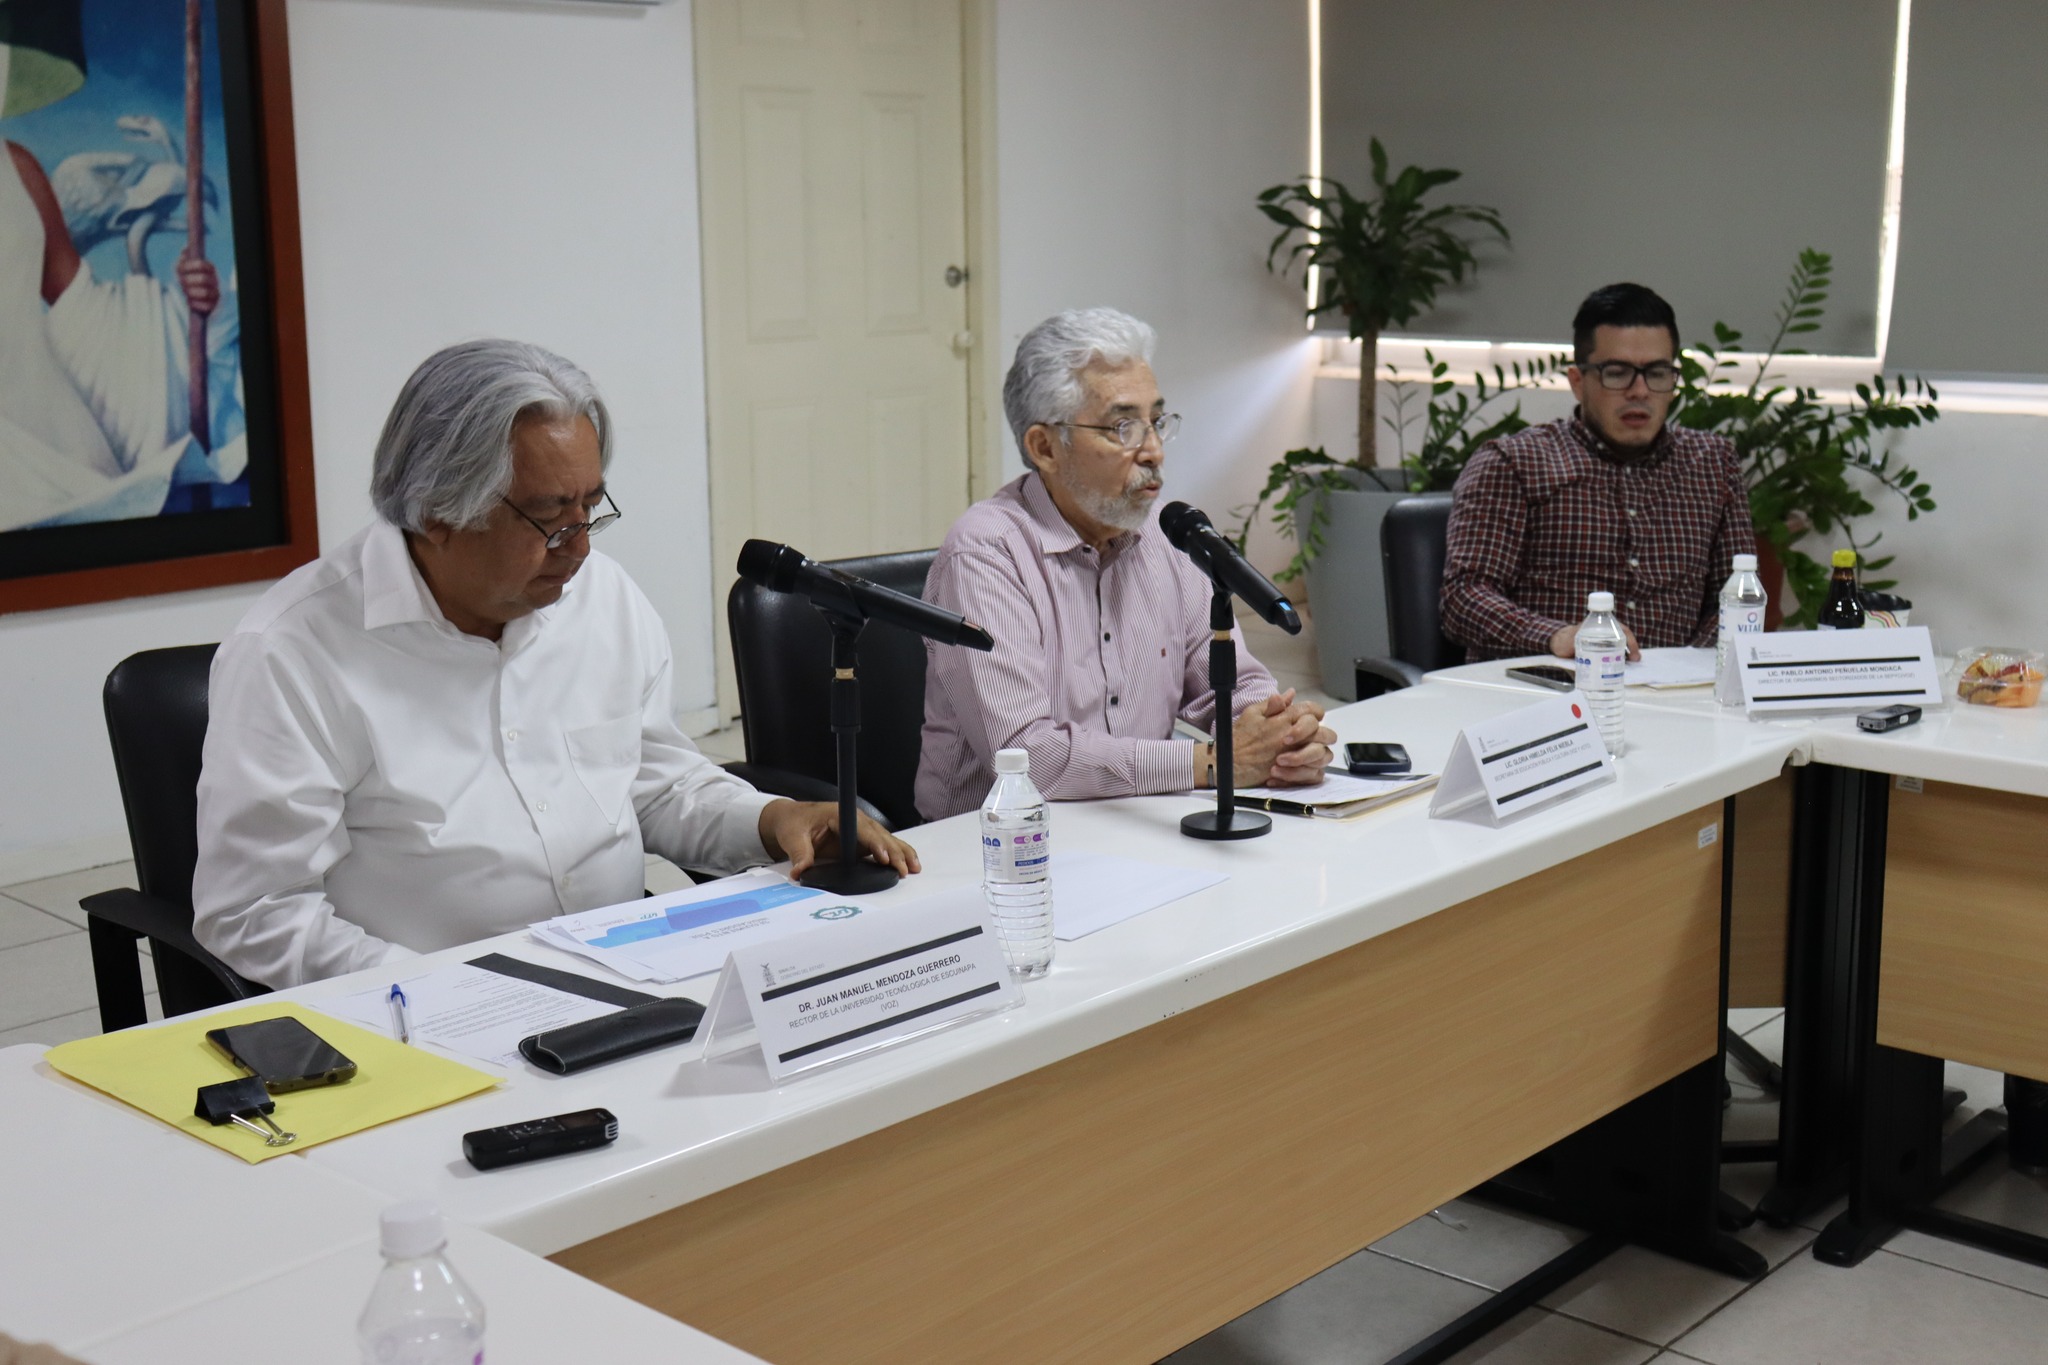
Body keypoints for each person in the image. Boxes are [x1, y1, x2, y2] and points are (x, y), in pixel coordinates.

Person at [193, 341, 917, 988]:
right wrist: (438, 992)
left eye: (590, 508)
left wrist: (773, 818)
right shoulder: (292, 653)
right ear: (437, 513)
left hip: (628, 970)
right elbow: (255, 911)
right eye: (549, 519)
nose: (580, 548)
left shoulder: (601, 597)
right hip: (427, 1012)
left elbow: (654, 786)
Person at [916, 308, 1334, 822]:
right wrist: (1213, 762)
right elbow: (1028, 758)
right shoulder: (986, 555)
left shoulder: (1167, 535)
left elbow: (1226, 685)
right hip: (999, 845)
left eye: (1155, 421)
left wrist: (1281, 737)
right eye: (1122, 427)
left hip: (1137, 824)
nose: (1153, 450)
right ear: (1045, 447)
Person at [1440, 282, 1756, 662]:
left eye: (1657, 373)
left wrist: (1688, 667)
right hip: (1550, 683)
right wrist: (1558, 637)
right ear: (1578, 382)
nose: (1639, 391)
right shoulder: (1513, 463)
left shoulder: (1713, 463)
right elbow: (1464, 599)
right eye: (1617, 373)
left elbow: (1737, 597)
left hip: (1677, 687)